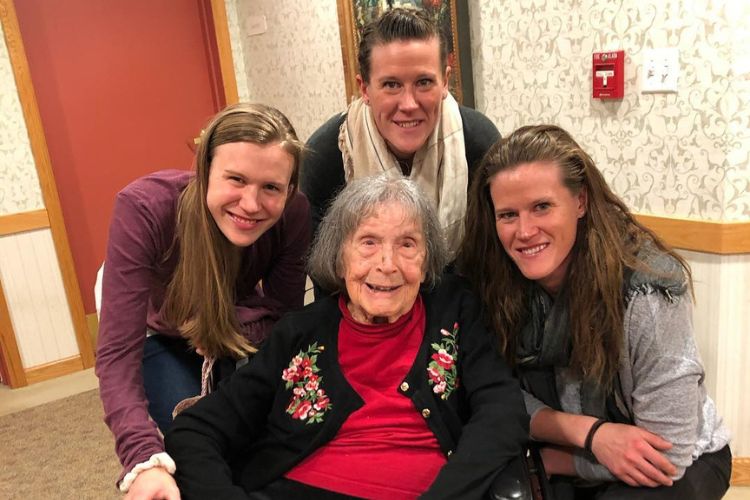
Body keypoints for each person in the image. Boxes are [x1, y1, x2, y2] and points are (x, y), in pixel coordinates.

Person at [164, 175, 529, 499]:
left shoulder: (455, 312)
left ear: (426, 259)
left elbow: (502, 413)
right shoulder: (299, 332)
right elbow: (196, 430)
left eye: (407, 244)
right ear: (339, 259)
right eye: (368, 242)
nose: (387, 264)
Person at [458, 125, 732, 499]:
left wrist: (561, 462)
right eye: (508, 214)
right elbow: (497, 393)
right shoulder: (494, 282)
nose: (525, 231)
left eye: (542, 206)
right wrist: (588, 433)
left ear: (581, 202)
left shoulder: (646, 289)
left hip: (676, 464)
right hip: (570, 445)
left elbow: (670, 451)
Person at [95, 103, 311, 498]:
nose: (250, 204)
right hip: (158, 328)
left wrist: (234, 324)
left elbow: (284, 322)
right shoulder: (144, 209)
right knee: (190, 438)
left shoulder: (294, 215)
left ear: (290, 189)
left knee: (266, 434)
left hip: (236, 321)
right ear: (205, 169)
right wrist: (142, 458)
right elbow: (115, 357)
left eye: (271, 188)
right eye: (236, 179)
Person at [301, 7, 500, 269]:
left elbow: (494, 261)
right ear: (365, 88)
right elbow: (326, 274)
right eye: (391, 85)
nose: (408, 104)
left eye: (424, 82)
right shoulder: (326, 155)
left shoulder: (480, 143)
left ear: (445, 82)